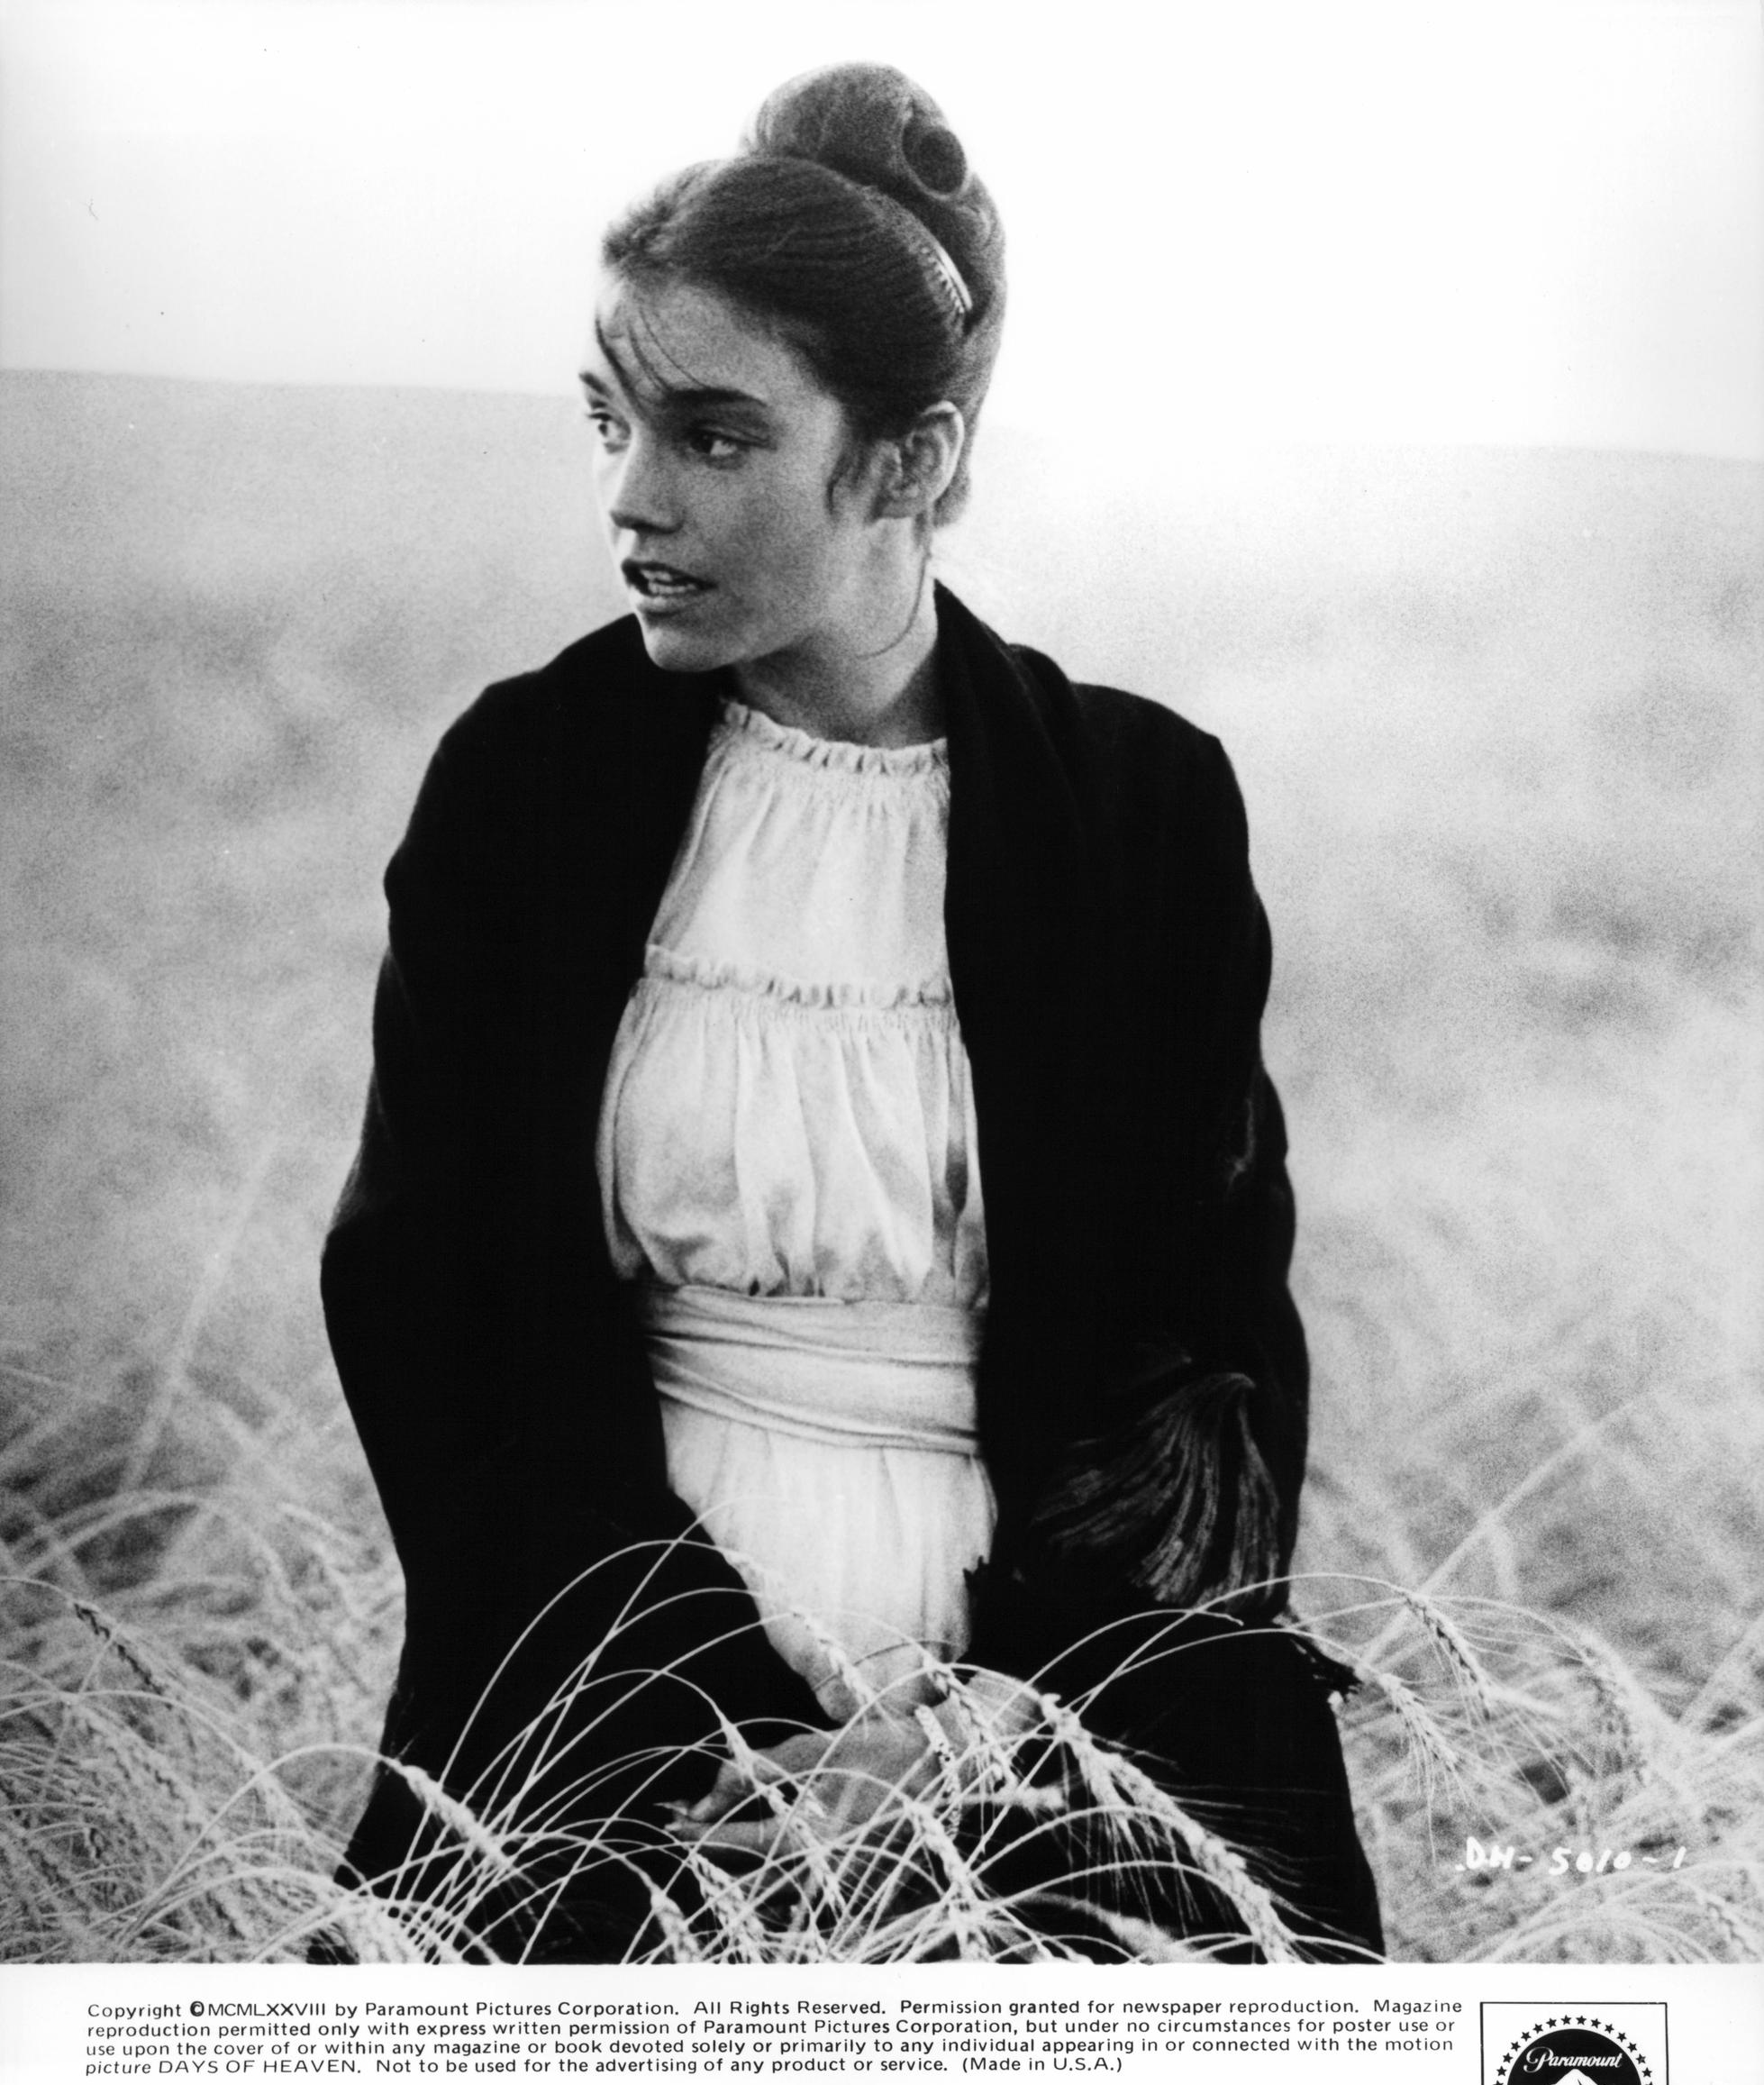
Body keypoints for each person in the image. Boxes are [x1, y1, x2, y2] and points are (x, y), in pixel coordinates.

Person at [320, 61, 1383, 1963]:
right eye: (608, 421)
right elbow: (433, 1298)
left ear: (903, 465)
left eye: (715, 436)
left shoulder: (1142, 809)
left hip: (1048, 1705)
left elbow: (1199, 1356)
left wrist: (998, 1724)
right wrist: (707, 1716)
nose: (631, 500)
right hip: (606, 1677)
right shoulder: (524, 784)